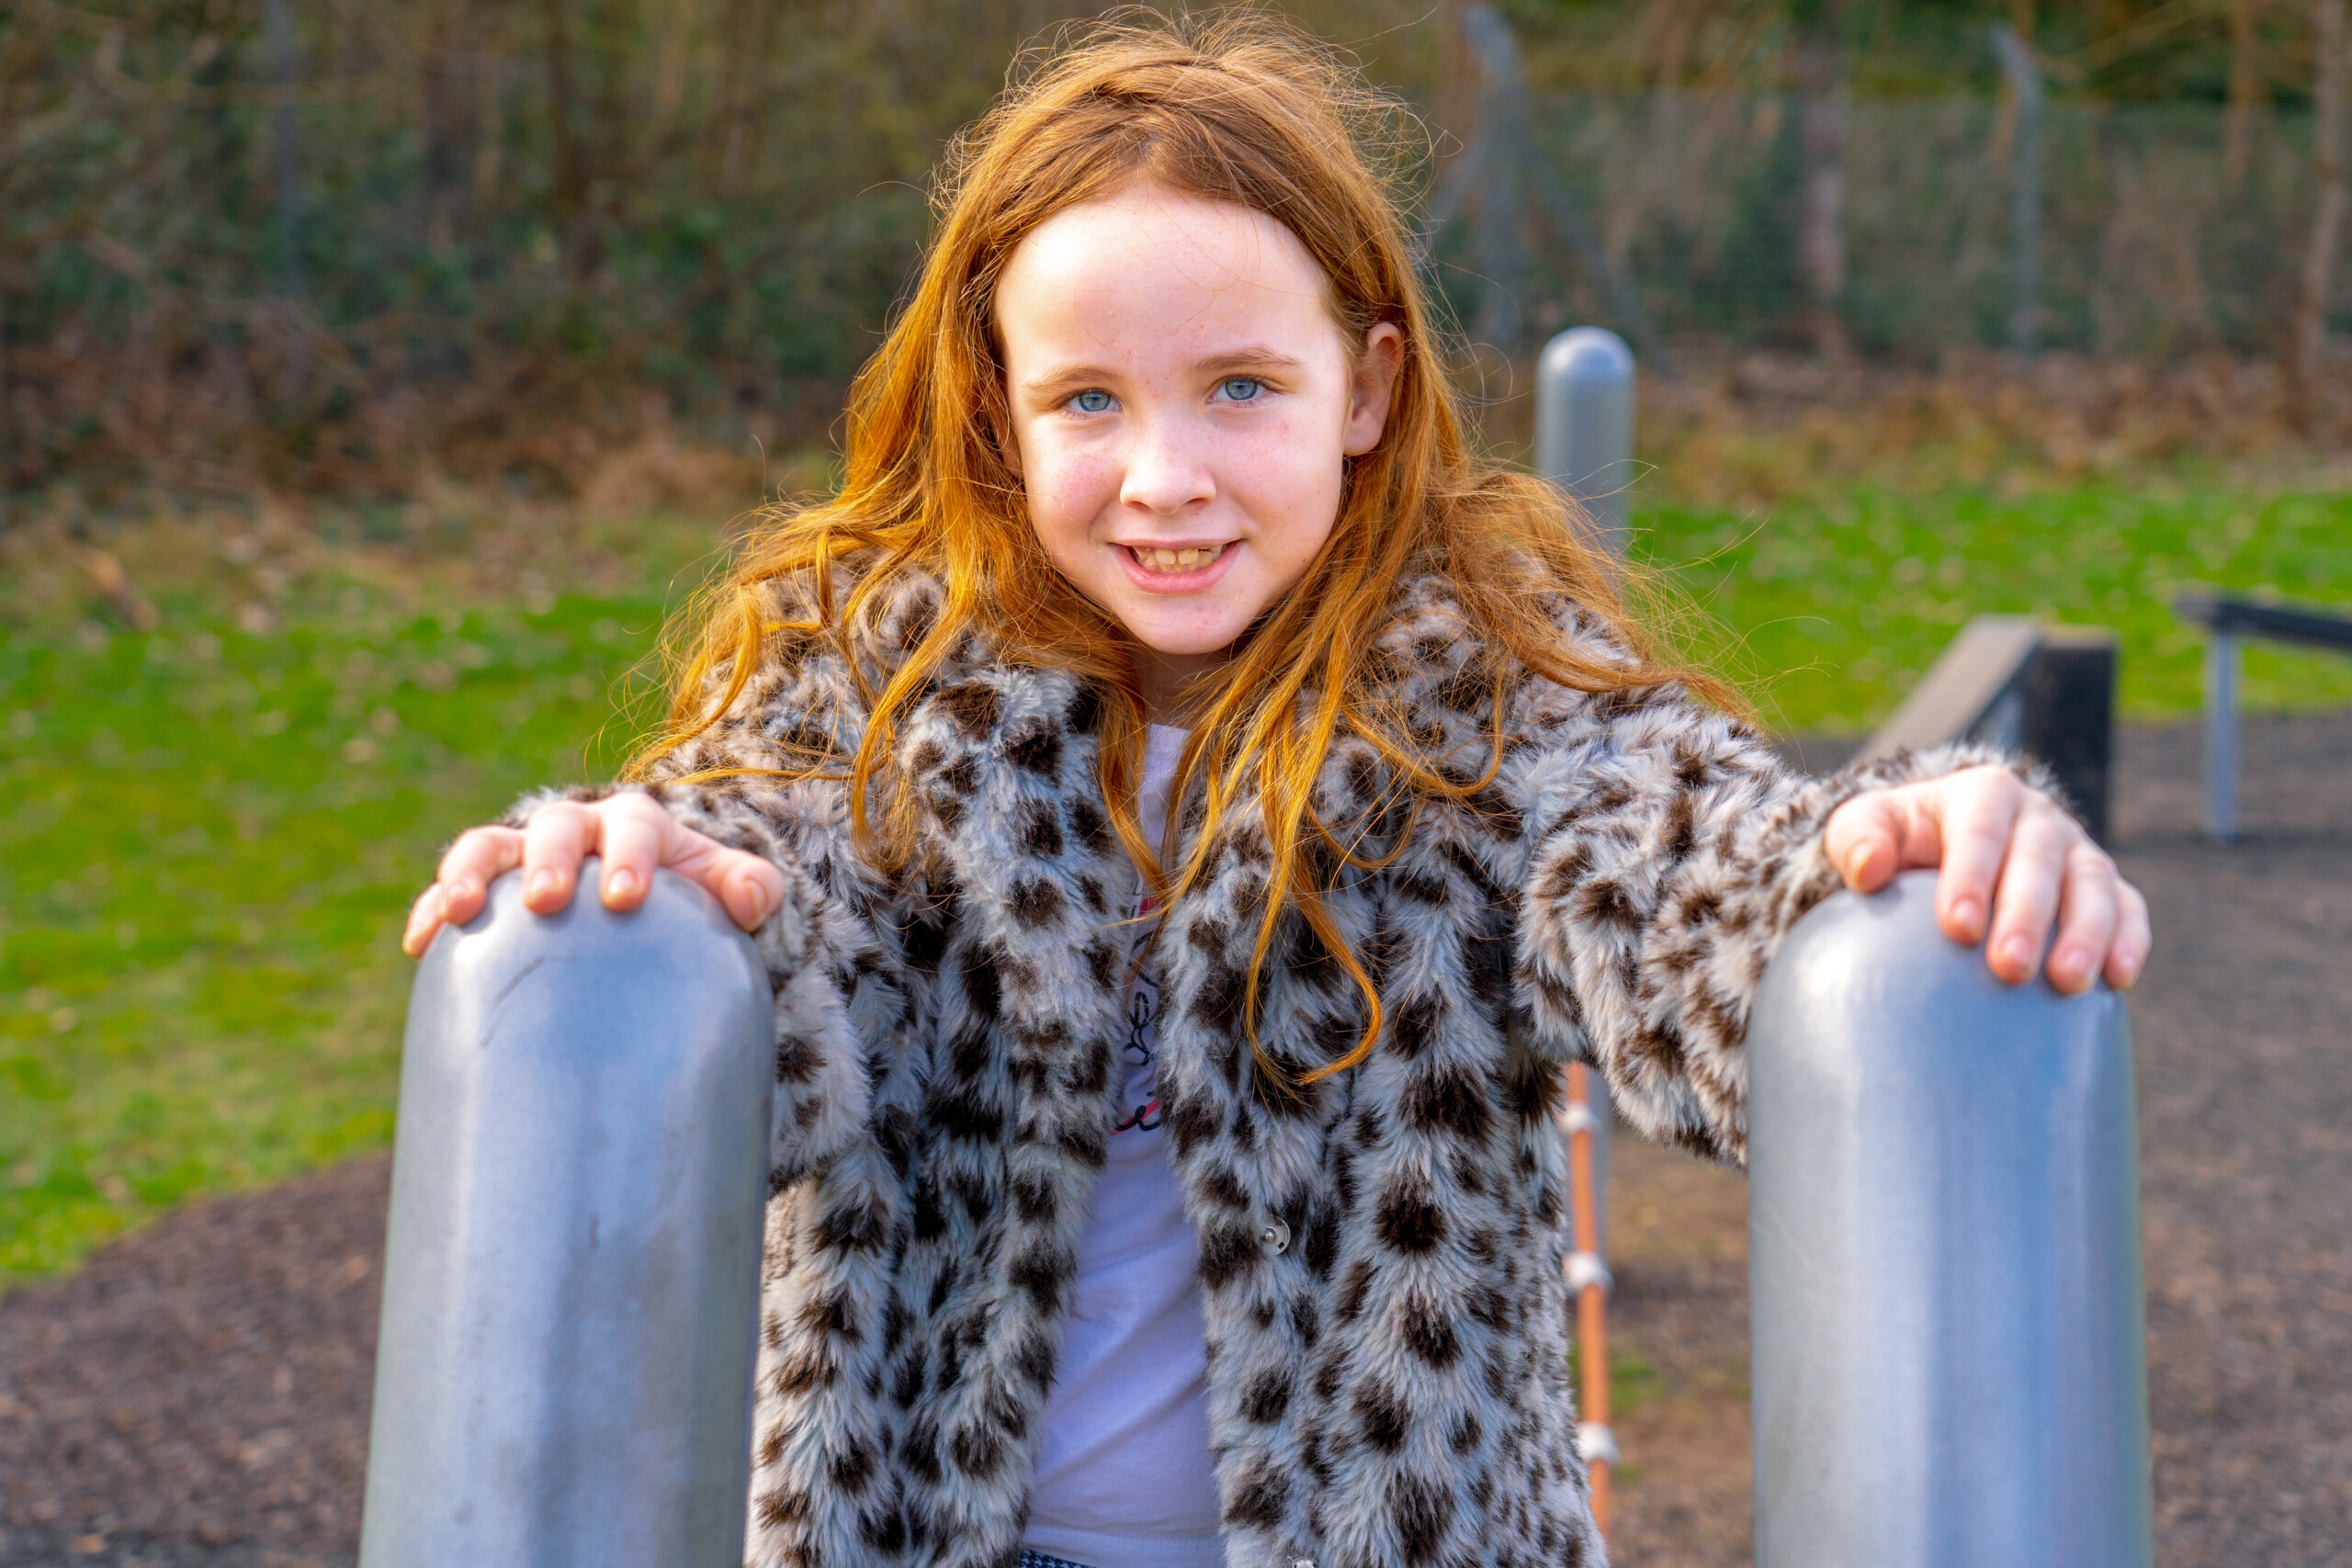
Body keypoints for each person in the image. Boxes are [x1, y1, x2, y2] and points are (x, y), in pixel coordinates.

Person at [401, 16, 2149, 1568]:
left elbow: (1677, 864)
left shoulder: (1481, 703)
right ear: (1000, 416)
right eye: (1090, 400)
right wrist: (643, 869)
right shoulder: (868, 699)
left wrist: (1874, 856)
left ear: (1365, 390)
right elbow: (761, 871)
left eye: (1241, 387)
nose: (1167, 477)